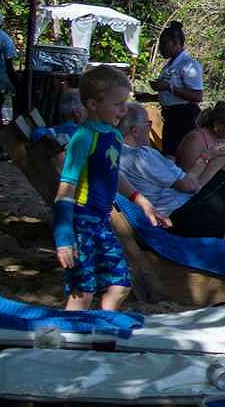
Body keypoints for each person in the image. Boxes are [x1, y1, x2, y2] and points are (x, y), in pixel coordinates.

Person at [51, 65, 166, 311]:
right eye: (117, 104)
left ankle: (102, 324)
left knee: (120, 284)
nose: (124, 110)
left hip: (102, 221)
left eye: (125, 103)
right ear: (92, 104)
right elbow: (65, 190)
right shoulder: (83, 138)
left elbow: (114, 177)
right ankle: (71, 338)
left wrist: (142, 201)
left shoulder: (113, 136)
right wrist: (63, 239)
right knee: (83, 290)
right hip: (81, 220)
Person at [119, 103, 225, 240]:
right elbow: (189, 186)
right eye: (148, 123)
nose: (150, 127)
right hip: (182, 216)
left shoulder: (119, 153)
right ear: (135, 130)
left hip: (180, 209)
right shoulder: (142, 156)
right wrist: (206, 158)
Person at [151, 23, 205, 156]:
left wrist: (168, 87)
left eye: (164, 44)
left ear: (176, 42)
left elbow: (197, 96)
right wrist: (150, 96)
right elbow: (172, 95)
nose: (161, 49)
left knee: (177, 156)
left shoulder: (189, 64)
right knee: (169, 153)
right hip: (171, 116)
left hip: (184, 117)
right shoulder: (171, 64)